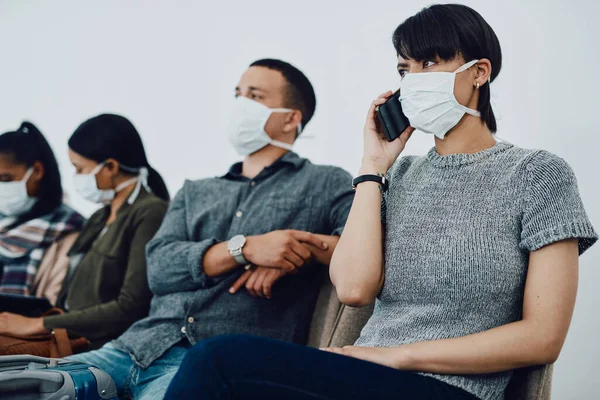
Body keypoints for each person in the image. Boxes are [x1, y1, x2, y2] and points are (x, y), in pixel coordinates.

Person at [164, 5, 598, 400]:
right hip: (365, 376)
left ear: (479, 72)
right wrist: (373, 167)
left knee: (216, 362)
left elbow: (544, 336)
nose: (413, 79)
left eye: (429, 62)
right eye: (404, 69)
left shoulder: (539, 174)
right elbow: (353, 290)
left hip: (447, 388)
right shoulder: (398, 176)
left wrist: (400, 356)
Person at [67, 58, 355, 400]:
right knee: (21, 385)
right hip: (133, 347)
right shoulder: (195, 191)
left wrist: (297, 250)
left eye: (254, 95)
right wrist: (244, 248)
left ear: (292, 118)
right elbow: (158, 268)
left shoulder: (325, 182)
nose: (240, 104)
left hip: (220, 365)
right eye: (237, 94)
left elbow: (364, 246)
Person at [0, 114, 169, 350]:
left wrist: (38, 324)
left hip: (98, 344)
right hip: (65, 333)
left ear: (110, 166)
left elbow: (129, 307)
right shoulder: (100, 218)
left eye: (79, 169)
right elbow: (70, 294)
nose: (76, 178)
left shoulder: (149, 213)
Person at [0, 122, 84, 304]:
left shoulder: (70, 234)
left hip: (25, 331)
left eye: (5, 179)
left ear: (37, 171)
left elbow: (54, 310)